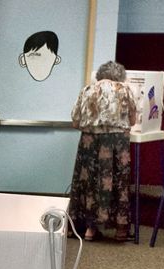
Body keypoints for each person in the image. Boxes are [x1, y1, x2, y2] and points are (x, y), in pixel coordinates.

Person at [66, 60, 138, 242]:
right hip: (117, 144)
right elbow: (132, 120)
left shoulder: (87, 90)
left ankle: (89, 229)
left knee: (89, 183)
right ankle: (121, 231)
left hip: (90, 142)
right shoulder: (125, 90)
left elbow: (75, 121)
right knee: (117, 183)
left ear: (99, 75)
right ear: (120, 75)